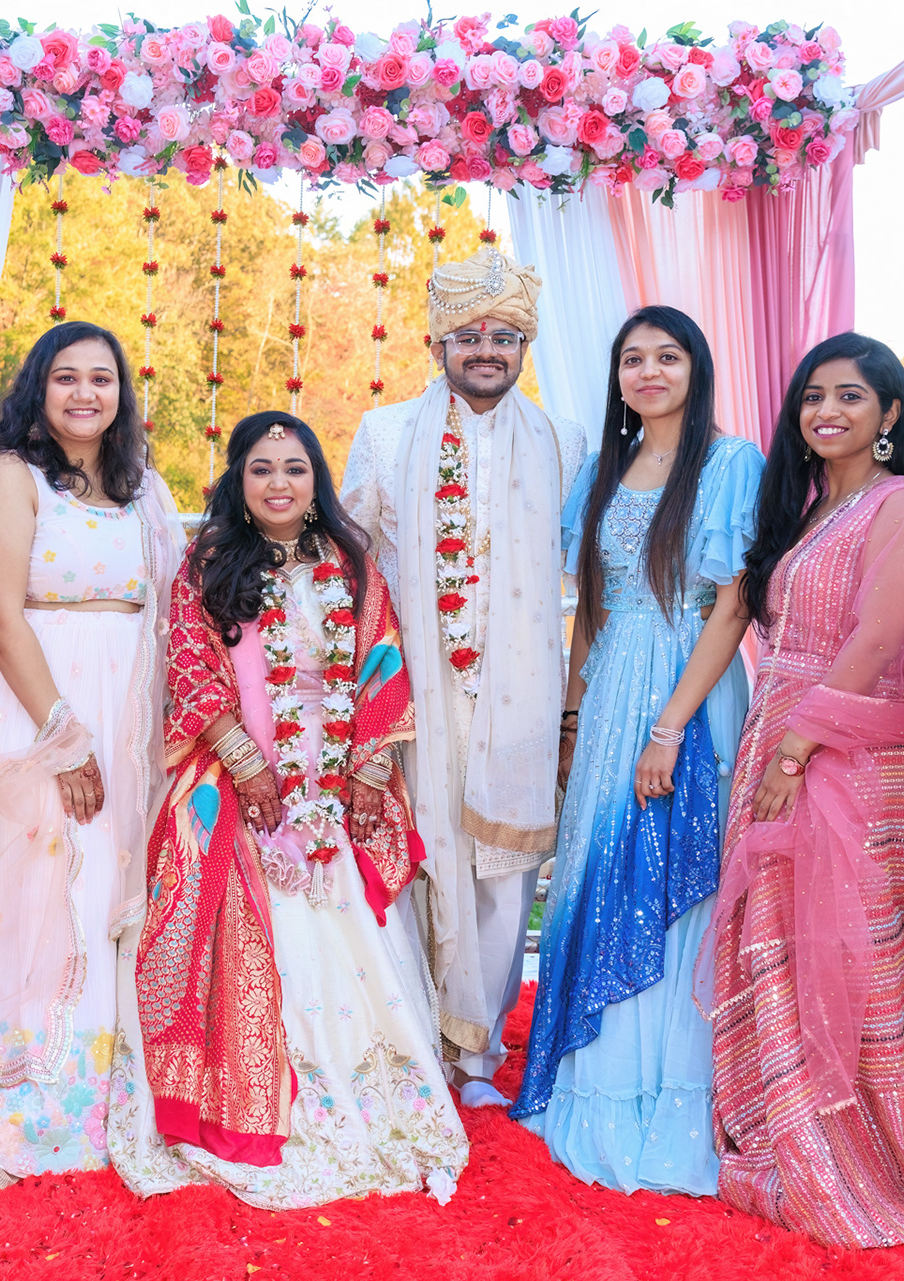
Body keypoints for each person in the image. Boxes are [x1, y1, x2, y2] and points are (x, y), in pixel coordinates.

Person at [110, 412, 467, 1208]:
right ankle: (253, 1095)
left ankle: (364, 1094)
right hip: (238, 766)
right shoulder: (209, 564)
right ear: (237, 480)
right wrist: (245, 763)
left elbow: (383, 658)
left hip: (333, 770)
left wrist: (368, 763)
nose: (279, 483)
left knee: (347, 916)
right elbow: (191, 665)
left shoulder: (350, 563)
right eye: (262, 468)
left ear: (317, 480)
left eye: (295, 468)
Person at [697, 333, 904, 1247]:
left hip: (850, 752)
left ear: (890, 413)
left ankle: (860, 1145)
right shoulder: (810, 510)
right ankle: (790, 1124)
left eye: (850, 396)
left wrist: (798, 747)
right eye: (814, 396)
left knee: (847, 947)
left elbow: (879, 638)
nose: (827, 411)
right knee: (785, 936)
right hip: (786, 735)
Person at [0, 321, 183, 1190]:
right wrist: (63, 734)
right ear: (38, 387)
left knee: (110, 893)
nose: (84, 393)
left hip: (127, 714)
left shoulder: (144, 487)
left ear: (121, 394)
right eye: (66, 376)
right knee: (29, 896)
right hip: (37, 705)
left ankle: (107, 1098)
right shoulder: (11, 476)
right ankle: (19, 1099)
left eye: (101, 378)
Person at [510, 307, 762, 1195]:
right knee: (598, 867)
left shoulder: (730, 464)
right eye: (633, 359)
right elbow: (594, 605)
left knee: (670, 875)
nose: (649, 371)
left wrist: (670, 726)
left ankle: (670, 1096)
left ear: (697, 369)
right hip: (612, 684)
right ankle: (596, 1081)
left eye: (667, 356)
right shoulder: (601, 470)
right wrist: (573, 721)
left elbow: (734, 605)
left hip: (688, 688)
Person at [341, 247, 587, 1108]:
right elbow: (351, 566)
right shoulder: (384, 433)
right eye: (470, 335)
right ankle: (412, 1039)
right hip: (414, 692)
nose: (488, 350)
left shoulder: (564, 442)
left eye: (505, 336)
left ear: (524, 346)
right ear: (438, 342)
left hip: (520, 690)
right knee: (412, 854)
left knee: (502, 871)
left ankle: (477, 1057)